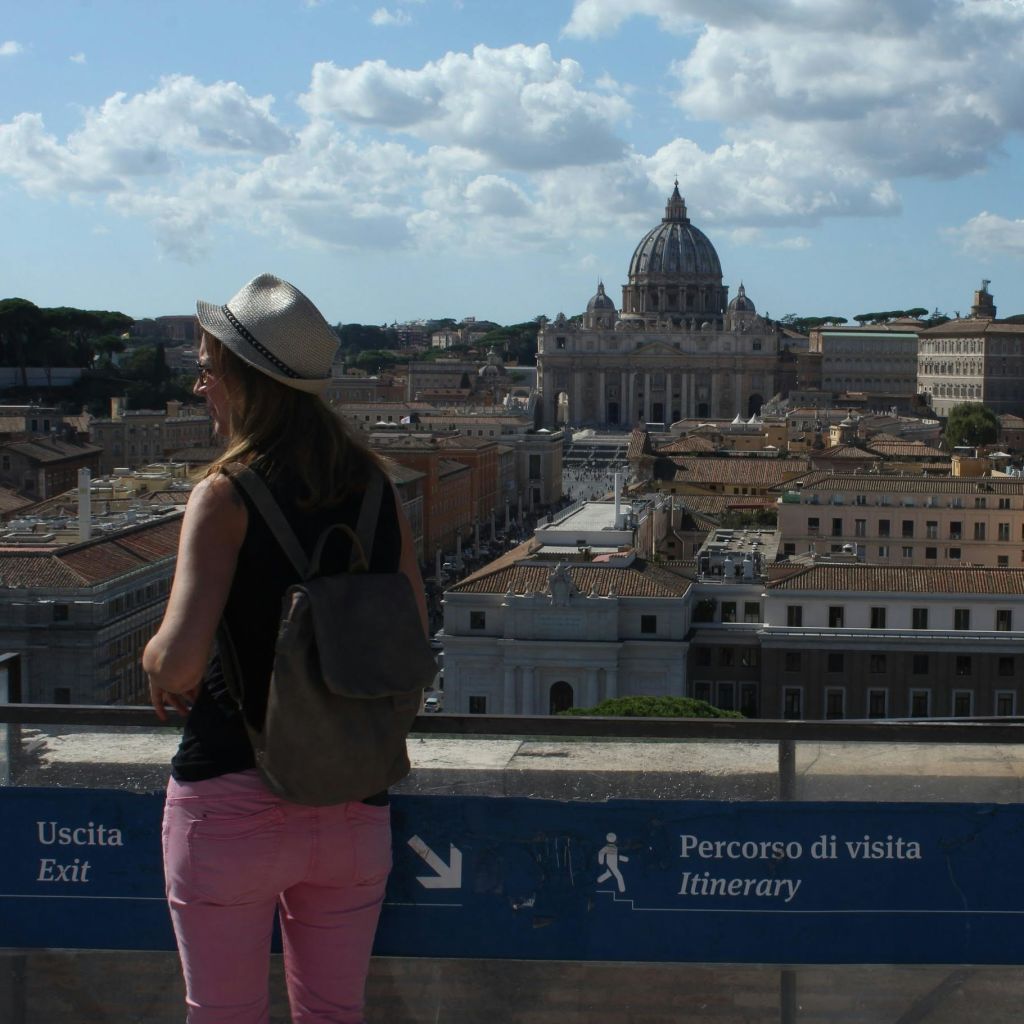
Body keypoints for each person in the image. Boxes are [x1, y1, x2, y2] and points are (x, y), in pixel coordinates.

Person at [143, 272, 427, 1024]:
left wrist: (154, 663)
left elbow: (176, 661)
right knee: (335, 1015)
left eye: (207, 369)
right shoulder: (374, 487)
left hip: (230, 801)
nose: (201, 386)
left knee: (223, 1014)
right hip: (351, 802)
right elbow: (413, 643)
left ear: (241, 381)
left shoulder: (224, 494)